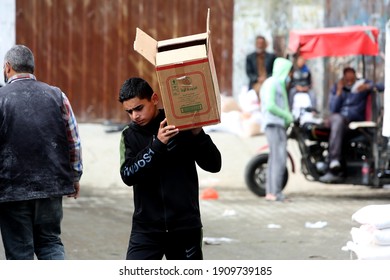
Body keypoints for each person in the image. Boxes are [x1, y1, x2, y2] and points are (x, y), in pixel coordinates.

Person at [118, 77, 222, 260]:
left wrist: (198, 134)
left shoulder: (180, 124)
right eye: (129, 112)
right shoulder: (129, 135)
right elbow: (128, 175)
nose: (135, 116)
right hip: (146, 230)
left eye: (139, 108)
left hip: (185, 228)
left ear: (154, 99)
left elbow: (214, 165)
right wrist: (157, 145)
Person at [0, 45, 82, 260]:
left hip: (12, 191)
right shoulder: (57, 95)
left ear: (7, 67)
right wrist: (74, 176)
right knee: (50, 244)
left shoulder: (1, 98)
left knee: (20, 253)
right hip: (51, 187)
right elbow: (73, 141)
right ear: (32, 67)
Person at [319, 67, 383, 183]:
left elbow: (382, 86)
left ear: (354, 76)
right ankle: (333, 162)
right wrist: (338, 92)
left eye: (351, 77)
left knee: (337, 126)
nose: (349, 80)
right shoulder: (338, 87)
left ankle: (333, 162)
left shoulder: (362, 85)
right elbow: (333, 109)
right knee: (337, 121)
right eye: (346, 77)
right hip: (339, 121)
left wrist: (367, 87)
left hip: (354, 122)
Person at [260, 57, 294, 202]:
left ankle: (271, 193)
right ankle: (276, 193)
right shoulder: (272, 83)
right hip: (273, 124)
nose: (290, 75)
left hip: (278, 125)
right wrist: (286, 115)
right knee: (279, 159)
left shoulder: (278, 84)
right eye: (289, 72)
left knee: (275, 158)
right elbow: (270, 105)